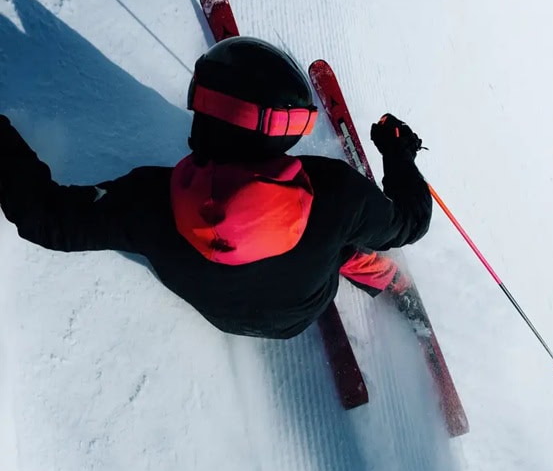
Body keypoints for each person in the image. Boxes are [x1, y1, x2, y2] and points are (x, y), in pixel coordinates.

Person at [0, 37, 432, 339]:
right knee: (342, 244)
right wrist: (399, 156)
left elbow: (45, 219)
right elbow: (410, 223)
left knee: (334, 235)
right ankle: (380, 275)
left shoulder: (146, 203)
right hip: (303, 309)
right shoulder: (336, 195)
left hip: (221, 315)